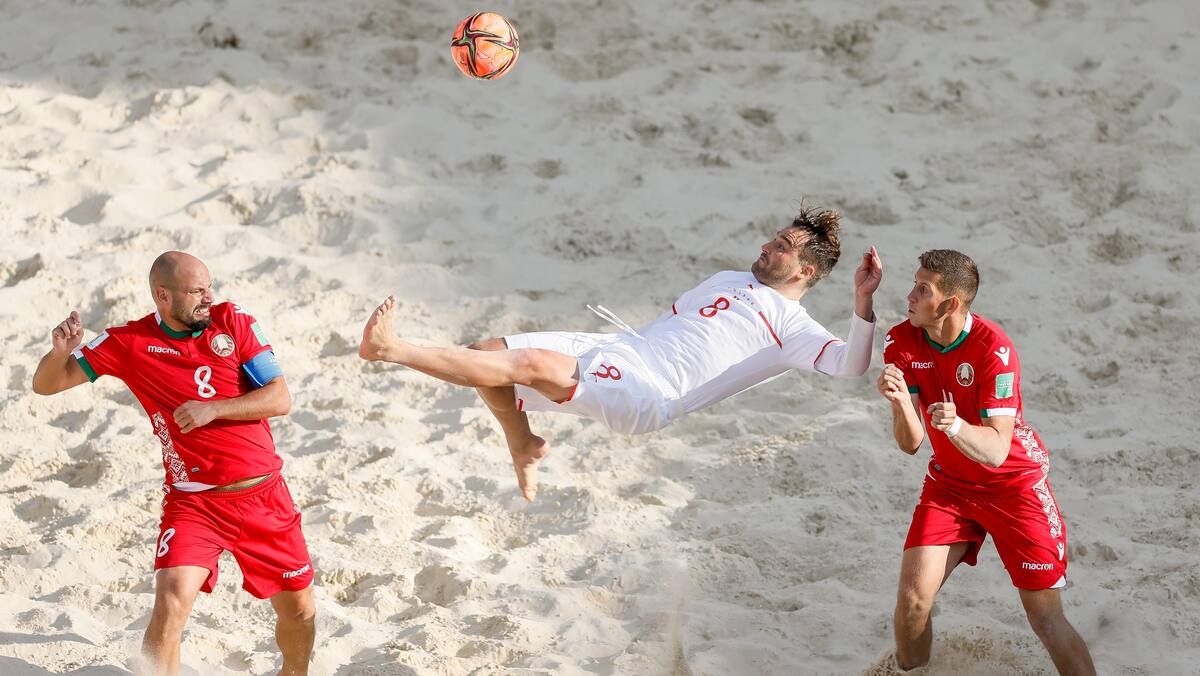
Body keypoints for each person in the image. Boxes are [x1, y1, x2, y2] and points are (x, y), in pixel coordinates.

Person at [360, 204, 882, 500]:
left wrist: (862, 299)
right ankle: (523, 443)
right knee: (487, 352)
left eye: (782, 247)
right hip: (623, 346)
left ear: (805, 272)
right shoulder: (730, 277)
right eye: (774, 238)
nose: (768, 247)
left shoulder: (793, 327)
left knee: (529, 366)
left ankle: (393, 349)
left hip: (651, 394)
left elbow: (851, 365)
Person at [31, 252, 315, 676]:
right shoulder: (128, 342)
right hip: (194, 503)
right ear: (163, 296)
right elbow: (45, 386)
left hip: (263, 495)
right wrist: (59, 354)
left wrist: (213, 409)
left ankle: (294, 673)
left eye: (209, 287)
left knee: (298, 612)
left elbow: (280, 398)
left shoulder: (231, 321)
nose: (208, 297)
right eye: (196, 291)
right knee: (169, 602)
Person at [876, 249, 1095, 675]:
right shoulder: (902, 340)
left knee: (1045, 619)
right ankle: (912, 671)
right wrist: (903, 404)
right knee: (912, 602)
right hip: (951, 488)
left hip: (1014, 488)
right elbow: (911, 444)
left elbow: (996, 450)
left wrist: (956, 427)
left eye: (923, 289)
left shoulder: (995, 349)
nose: (909, 295)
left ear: (950, 304)